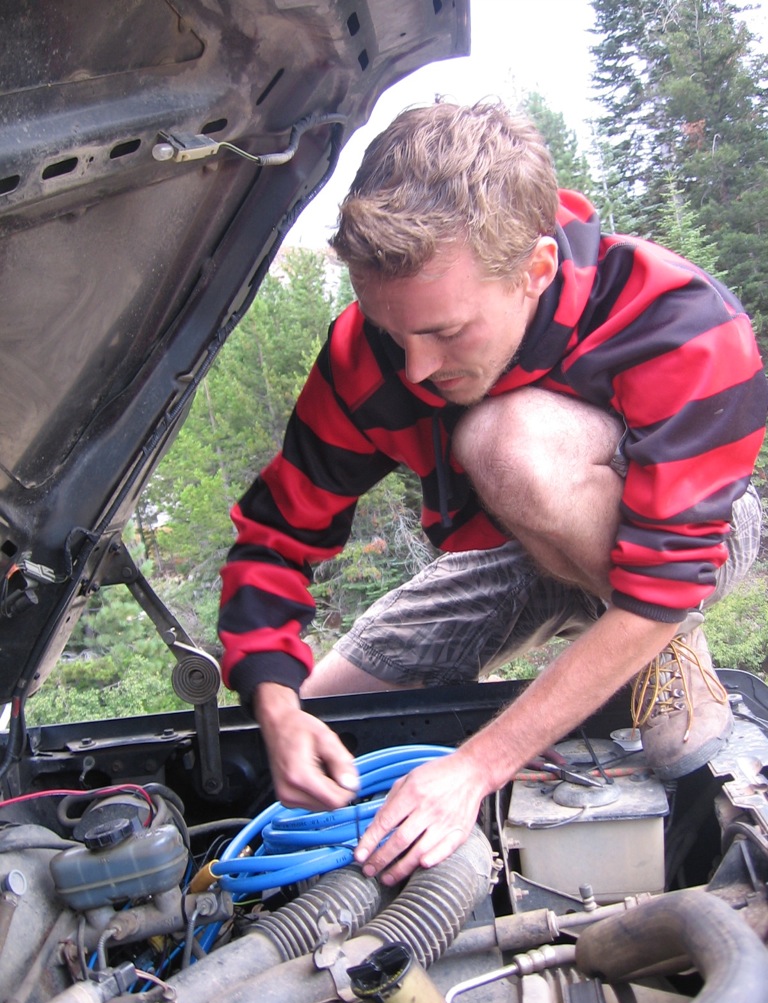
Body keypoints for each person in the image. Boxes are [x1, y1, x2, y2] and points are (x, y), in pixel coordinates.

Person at [218, 101, 767, 887]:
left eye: (446, 332)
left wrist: (476, 768)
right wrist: (276, 707)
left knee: (504, 442)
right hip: (516, 549)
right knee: (328, 709)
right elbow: (276, 539)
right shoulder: (365, 358)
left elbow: (664, 578)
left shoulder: (680, 322)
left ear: (535, 271)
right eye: (392, 330)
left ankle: (669, 647)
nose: (414, 368)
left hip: (688, 541)